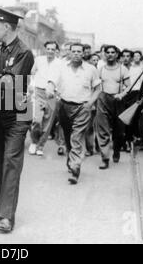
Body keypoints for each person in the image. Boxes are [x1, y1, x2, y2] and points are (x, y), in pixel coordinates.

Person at [0, 7, 34, 233]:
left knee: (11, 164)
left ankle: (6, 216)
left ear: (7, 26)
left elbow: (11, 82)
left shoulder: (24, 52)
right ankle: (4, 208)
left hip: (17, 114)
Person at [47, 43, 101, 185]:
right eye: (74, 51)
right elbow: (52, 81)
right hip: (64, 106)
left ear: (83, 54)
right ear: (69, 53)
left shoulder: (90, 69)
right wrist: (50, 89)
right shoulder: (62, 67)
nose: (76, 54)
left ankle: (76, 167)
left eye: (79, 51)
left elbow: (97, 89)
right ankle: (71, 158)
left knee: (76, 137)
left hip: (82, 108)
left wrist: (90, 103)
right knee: (67, 135)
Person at [96, 45, 130, 170]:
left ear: (116, 54)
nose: (110, 54)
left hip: (118, 101)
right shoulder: (100, 69)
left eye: (112, 52)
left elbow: (129, 86)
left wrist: (121, 94)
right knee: (103, 130)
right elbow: (96, 86)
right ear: (104, 54)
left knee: (119, 132)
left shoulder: (123, 69)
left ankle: (116, 150)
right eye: (108, 52)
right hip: (103, 100)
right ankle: (105, 158)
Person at [29, 41, 63, 157]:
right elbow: (32, 72)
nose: (50, 51)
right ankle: (34, 142)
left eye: (53, 49)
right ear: (45, 49)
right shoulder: (39, 60)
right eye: (48, 49)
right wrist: (32, 85)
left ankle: (40, 146)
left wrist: (57, 92)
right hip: (39, 92)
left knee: (48, 123)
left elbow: (61, 79)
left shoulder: (60, 63)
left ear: (56, 51)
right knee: (37, 120)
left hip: (52, 94)